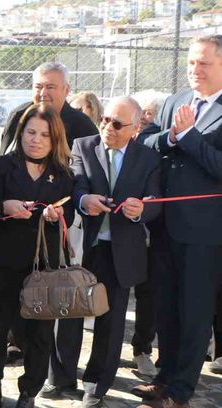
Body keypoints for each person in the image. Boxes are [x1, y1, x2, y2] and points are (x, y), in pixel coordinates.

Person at [134, 35, 222, 408]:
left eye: (204, 63)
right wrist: (171, 136)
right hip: (165, 226)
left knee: (194, 311)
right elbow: (148, 145)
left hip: (205, 232)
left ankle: (182, 389)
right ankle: (164, 376)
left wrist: (188, 137)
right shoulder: (175, 102)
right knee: (165, 306)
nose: (194, 70)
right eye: (190, 62)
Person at [0, 103, 74, 408]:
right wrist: (4, 206)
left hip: (43, 268)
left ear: (54, 139)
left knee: (41, 331)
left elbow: (69, 216)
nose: (36, 139)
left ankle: (28, 392)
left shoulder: (61, 174)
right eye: (31, 132)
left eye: (44, 135)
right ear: (21, 132)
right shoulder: (2, 166)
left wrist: (57, 214)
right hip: (3, 261)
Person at [71, 97, 162, 407]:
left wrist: (141, 209)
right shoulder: (83, 145)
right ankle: (60, 375)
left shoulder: (148, 158)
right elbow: (76, 184)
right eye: (105, 120)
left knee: (111, 322)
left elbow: (155, 200)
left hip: (121, 251)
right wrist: (85, 200)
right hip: (87, 247)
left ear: (135, 129)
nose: (108, 127)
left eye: (117, 124)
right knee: (68, 314)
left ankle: (97, 383)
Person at [131, 89, 169, 377]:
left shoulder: (155, 139)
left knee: (149, 293)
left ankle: (142, 347)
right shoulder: (150, 137)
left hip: (154, 228)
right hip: (128, 229)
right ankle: (141, 348)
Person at [0, 63, 98, 155]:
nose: (43, 93)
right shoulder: (18, 116)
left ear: (66, 90)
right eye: (38, 87)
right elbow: (3, 159)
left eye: (50, 87)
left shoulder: (82, 125)